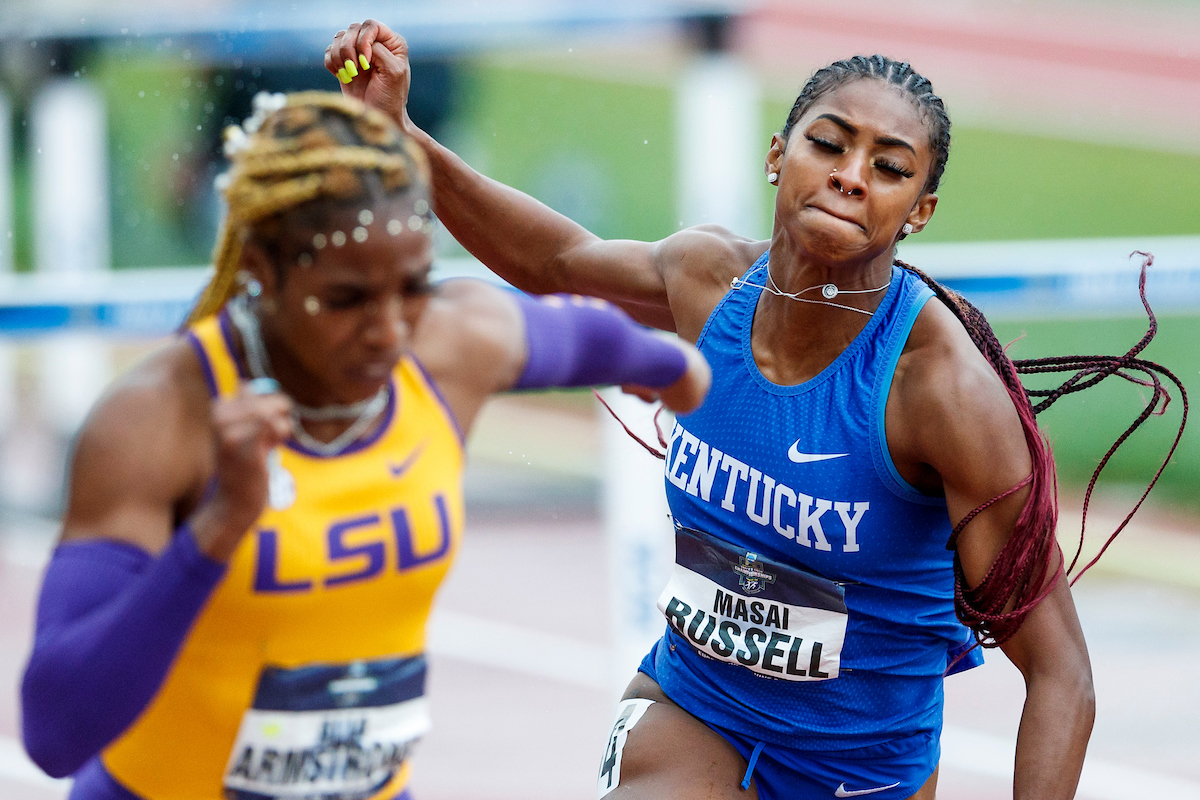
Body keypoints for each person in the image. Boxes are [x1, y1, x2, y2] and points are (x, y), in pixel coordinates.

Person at [321, 23, 1128, 800]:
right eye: (829, 143)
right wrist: (401, 136)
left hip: (861, 768)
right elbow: (557, 262)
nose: (851, 175)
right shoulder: (709, 282)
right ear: (778, 156)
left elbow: (1061, 673)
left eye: (889, 167)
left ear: (918, 210)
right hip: (697, 707)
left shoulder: (940, 391)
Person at [20, 91, 711, 800]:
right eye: (347, 299)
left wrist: (669, 366)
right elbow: (54, 730)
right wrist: (216, 531)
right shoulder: (158, 420)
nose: (388, 332)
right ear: (261, 268)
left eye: (412, 287)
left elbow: (580, 334)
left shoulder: (445, 345)